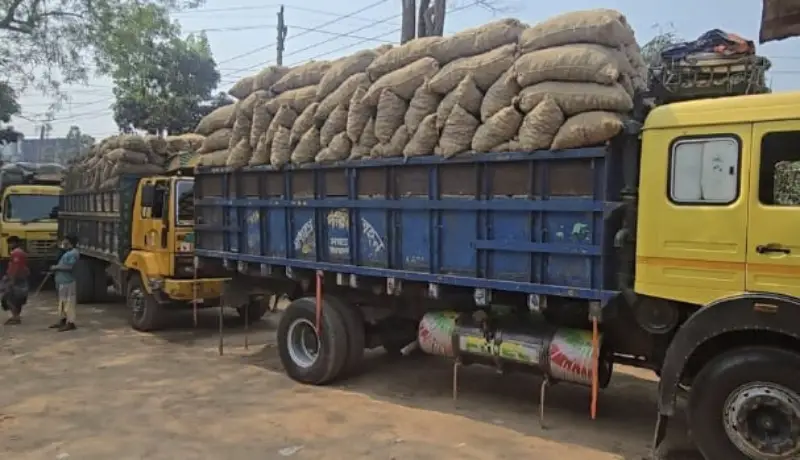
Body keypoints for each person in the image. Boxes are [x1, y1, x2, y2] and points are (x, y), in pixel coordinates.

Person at [50, 235, 79, 332]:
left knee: (69, 302)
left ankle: (70, 322)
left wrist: (56, 268)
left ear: (69, 241)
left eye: (65, 240)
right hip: (62, 281)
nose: (63, 242)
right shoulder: (67, 252)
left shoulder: (73, 253)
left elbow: (70, 267)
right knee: (62, 302)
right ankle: (63, 320)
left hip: (68, 281)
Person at [1, 236, 29, 325]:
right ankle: (16, 316)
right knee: (17, 297)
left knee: (8, 297)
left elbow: (15, 268)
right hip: (20, 277)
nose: (9, 245)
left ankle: (15, 317)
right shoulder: (21, 252)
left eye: (10, 243)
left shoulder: (16, 253)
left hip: (16, 278)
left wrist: (11, 280)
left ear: (15, 243)